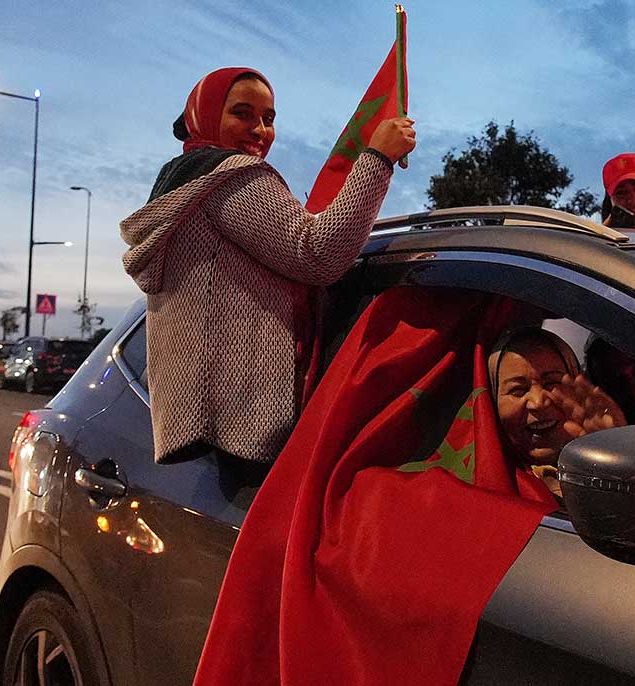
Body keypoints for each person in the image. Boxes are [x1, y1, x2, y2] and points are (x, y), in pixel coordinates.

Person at [121, 67, 416, 464]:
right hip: (249, 429)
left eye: (269, 118)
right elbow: (317, 254)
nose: (260, 130)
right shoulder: (229, 177)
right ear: (206, 115)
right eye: (242, 113)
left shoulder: (183, 183)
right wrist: (377, 157)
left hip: (214, 428)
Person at [488, 327, 626, 498]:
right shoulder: (486, 493)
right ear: (491, 401)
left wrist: (619, 456)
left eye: (552, 383)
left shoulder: (616, 463)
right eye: (518, 390)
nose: (538, 403)